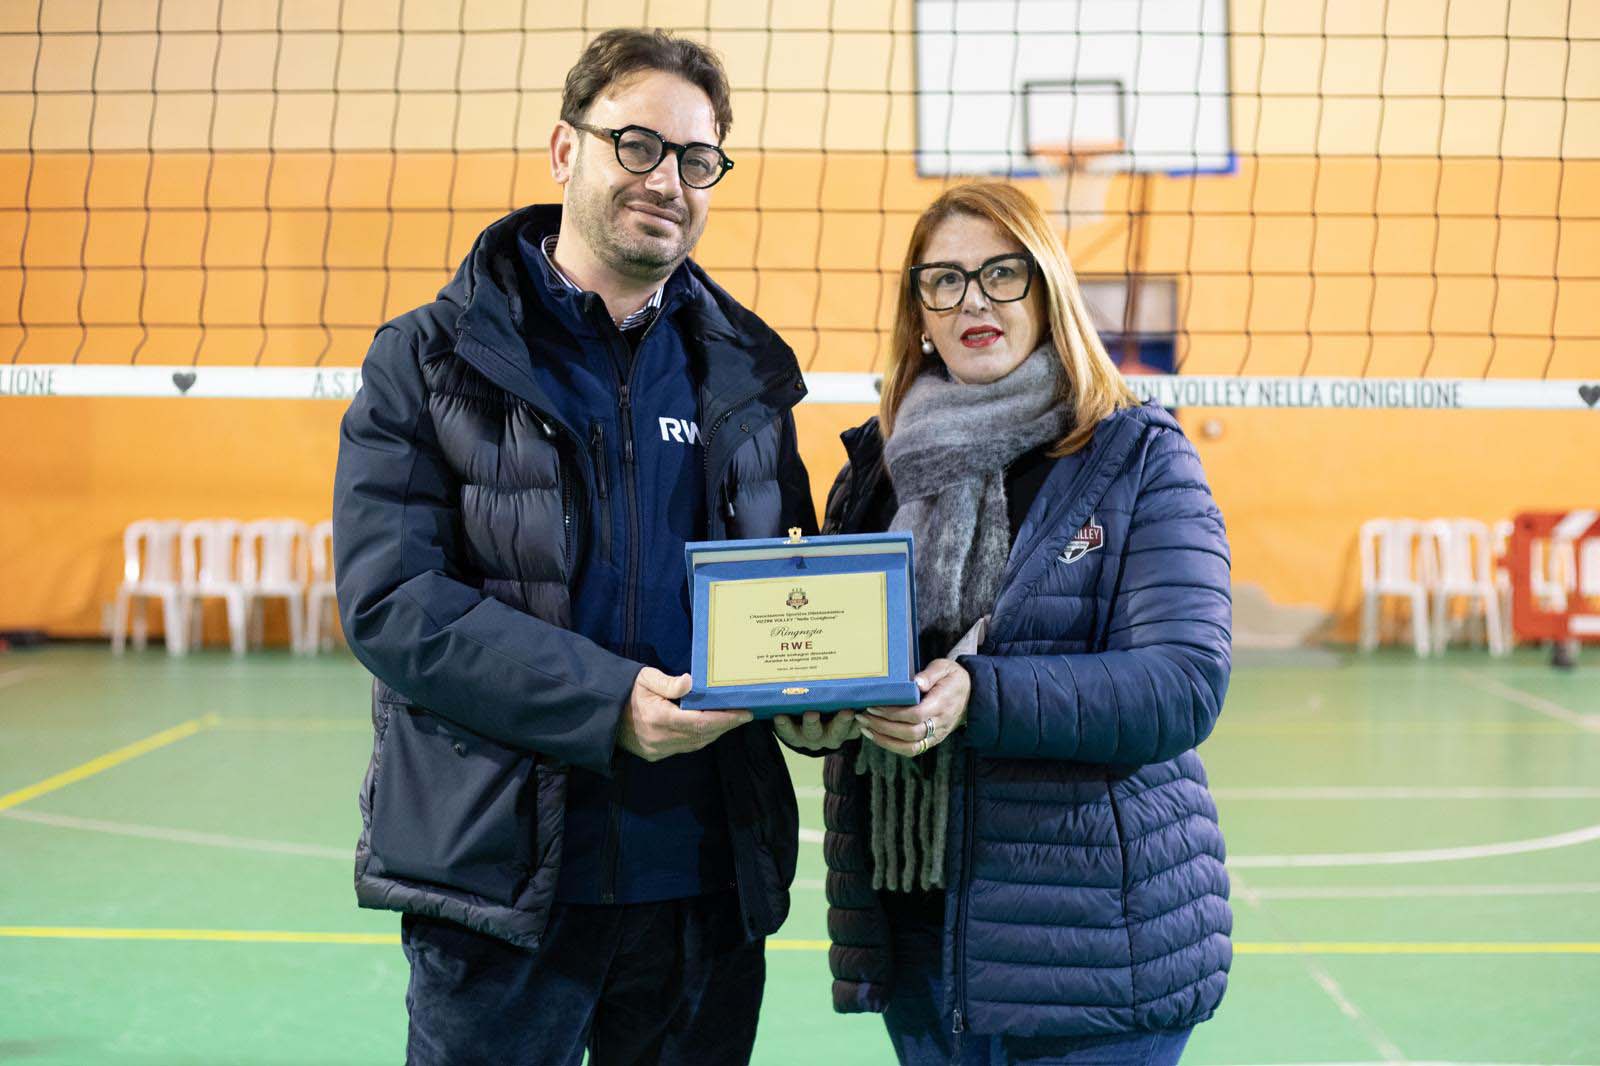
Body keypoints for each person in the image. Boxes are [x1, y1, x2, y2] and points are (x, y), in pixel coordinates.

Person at [333, 29, 815, 1065]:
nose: (668, 181)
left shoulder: (749, 373)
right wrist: (605, 705)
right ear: (564, 149)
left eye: (697, 160)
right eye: (636, 145)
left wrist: (826, 693)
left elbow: (788, 579)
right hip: (502, 886)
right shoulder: (426, 356)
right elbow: (392, 602)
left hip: (703, 883)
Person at [784, 182, 1232, 1065]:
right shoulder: (875, 472)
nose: (974, 301)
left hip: (1091, 945)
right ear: (917, 310)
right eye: (943, 281)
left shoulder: (1136, 455)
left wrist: (976, 696)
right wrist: (809, 708)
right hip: (916, 927)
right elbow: (841, 660)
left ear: (1048, 289)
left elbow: (1181, 686)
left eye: (1002, 273)